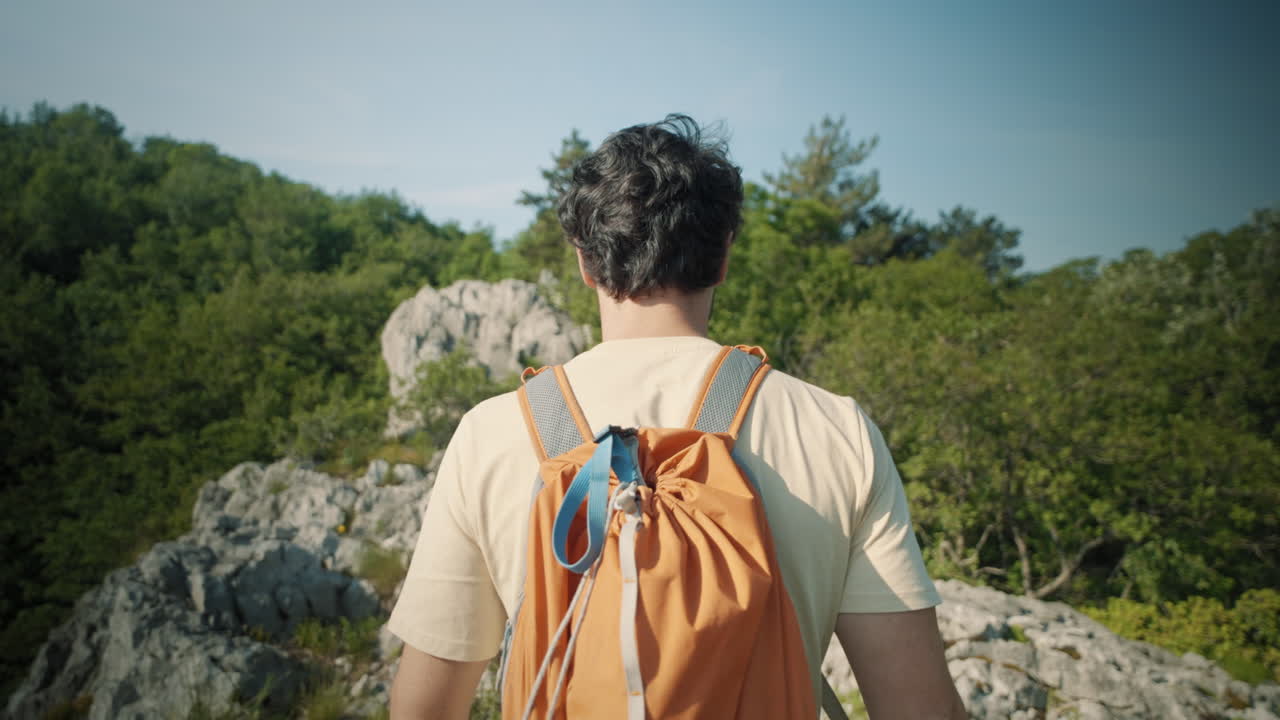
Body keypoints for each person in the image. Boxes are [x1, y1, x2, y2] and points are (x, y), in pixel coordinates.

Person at [387, 114, 965, 720]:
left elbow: (423, 708)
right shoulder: (837, 431)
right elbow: (918, 708)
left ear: (586, 262)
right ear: (723, 258)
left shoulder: (491, 434)